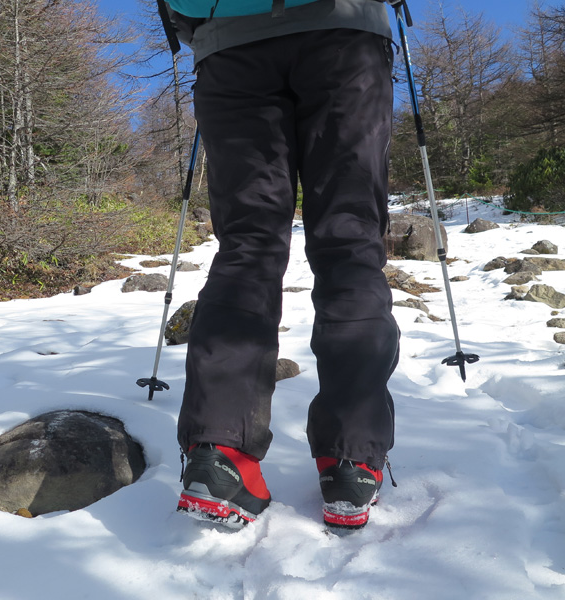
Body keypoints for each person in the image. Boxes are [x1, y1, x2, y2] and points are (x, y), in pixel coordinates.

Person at [162, 0, 401, 530]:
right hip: (344, 35)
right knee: (350, 242)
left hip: (229, 44)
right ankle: (352, 461)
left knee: (246, 246)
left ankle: (222, 453)